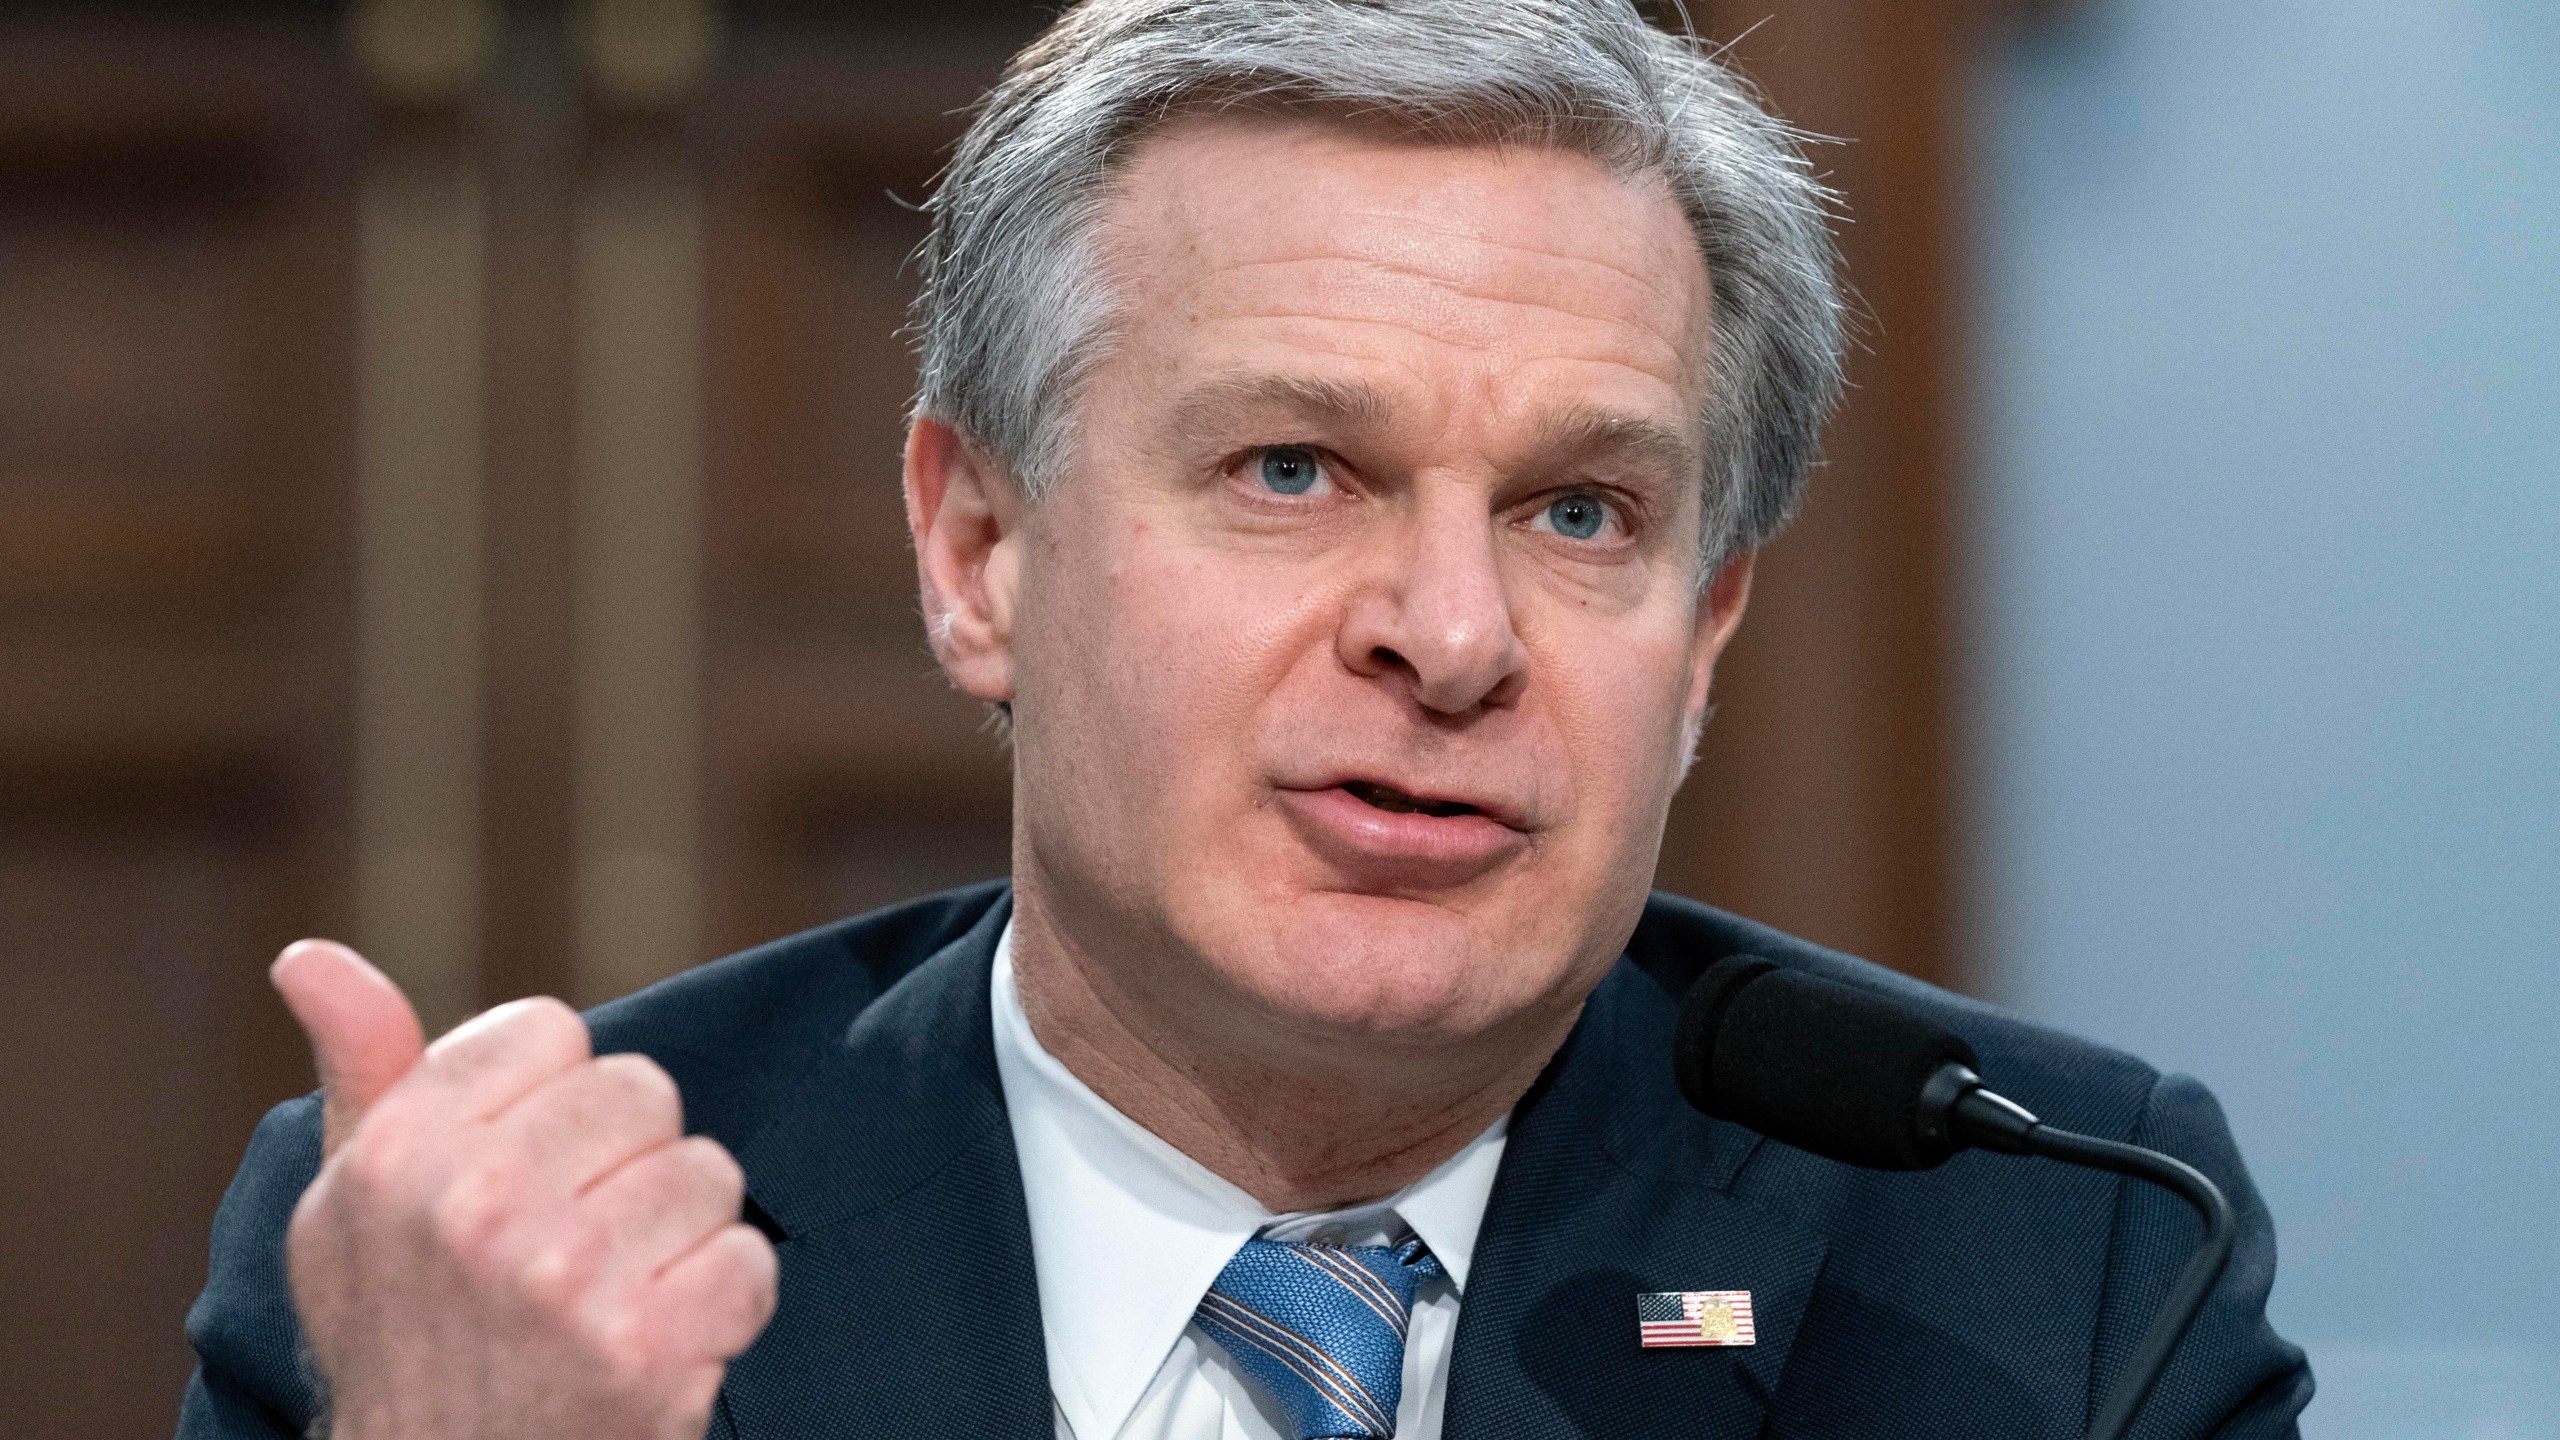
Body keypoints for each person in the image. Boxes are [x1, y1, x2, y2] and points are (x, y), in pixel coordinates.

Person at [179, 2, 2313, 1437]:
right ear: (977, 548)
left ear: (1704, 629)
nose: (1449, 636)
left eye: (1580, 512)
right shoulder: (474, 1276)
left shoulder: (2046, 1262)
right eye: (1292, 470)